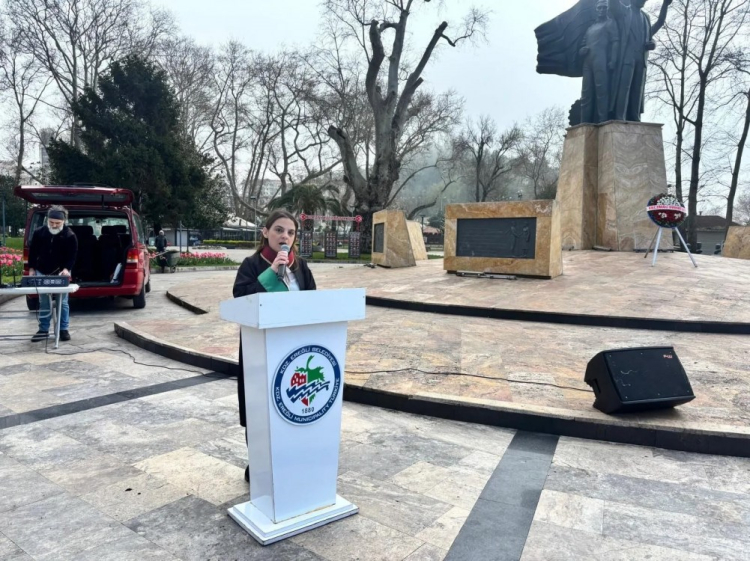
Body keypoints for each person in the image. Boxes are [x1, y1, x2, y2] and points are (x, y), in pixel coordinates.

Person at [232, 209, 316, 482]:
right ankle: (259, 463)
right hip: (260, 349)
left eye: (291, 232)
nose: (285, 236)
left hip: (293, 348)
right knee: (260, 405)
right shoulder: (251, 264)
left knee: (291, 404)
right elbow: (240, 299)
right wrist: (270, 273)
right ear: (265, 232)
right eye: (279, 230)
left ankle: (290, 461)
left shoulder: (301, 267)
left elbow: (313, 302)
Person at [27, 205, 78, 342]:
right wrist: (31, 268)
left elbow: (72, 256)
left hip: (61, 271)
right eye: (51, 222)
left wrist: (66, 269)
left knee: (63, 302)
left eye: (57, 223)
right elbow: (33, 252)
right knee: (44, 301)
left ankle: (63, 329)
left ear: (64, 221)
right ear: (47, 220)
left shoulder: (70, 235)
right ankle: (43, 329)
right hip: (42, 270)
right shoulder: (39, 233)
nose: (54, 225)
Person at [579, 0, 619, 124]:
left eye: (604, 7)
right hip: (587, 62)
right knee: (586, 93)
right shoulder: (590, 27)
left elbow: (615, 41)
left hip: (601, 61)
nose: (602, 10)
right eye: (600, 7)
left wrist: (613, 60)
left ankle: (603, 121)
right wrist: (581, 50)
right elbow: (583, 43)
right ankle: (584, 122)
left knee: (601, 91)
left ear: (607, 9)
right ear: (596, 9)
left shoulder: (610, 23)